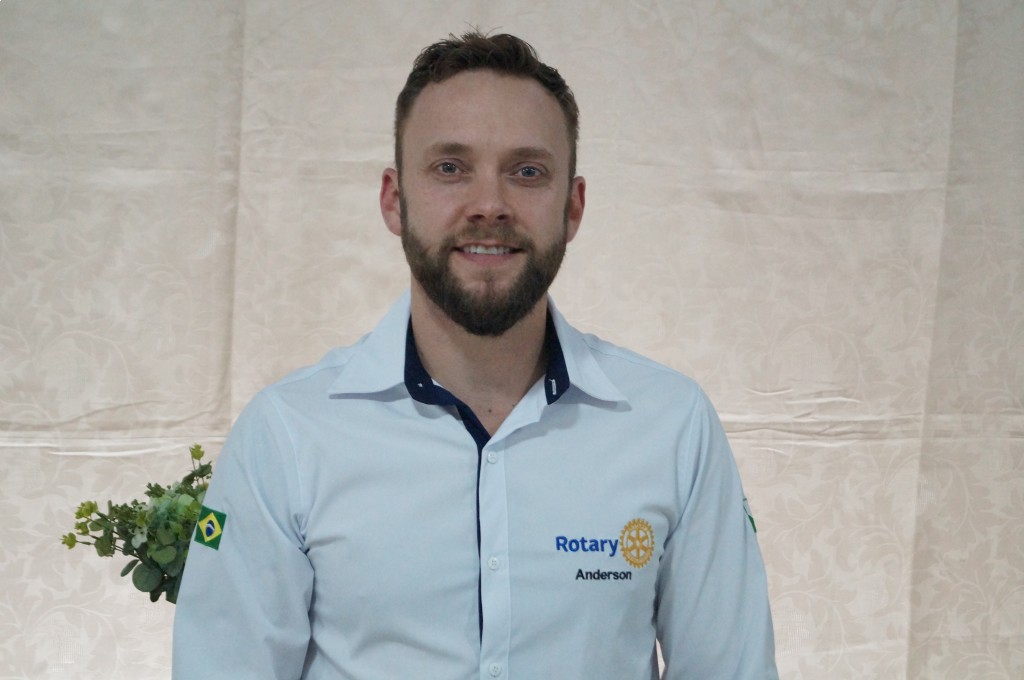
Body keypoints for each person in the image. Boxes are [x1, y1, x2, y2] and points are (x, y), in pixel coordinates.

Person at [172, 31, 777, 679]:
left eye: (527, 171)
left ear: (573, 207)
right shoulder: (287, 434)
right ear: (394, 201)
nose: (490, 205)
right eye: (450, 168)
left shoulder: (672, 425)